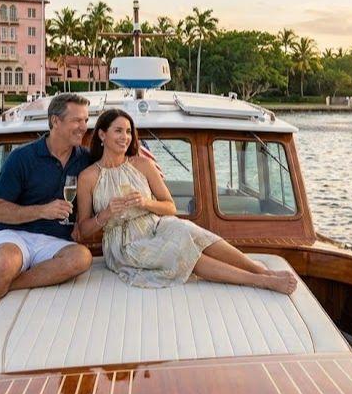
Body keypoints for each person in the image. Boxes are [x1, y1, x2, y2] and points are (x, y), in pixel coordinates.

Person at [76, 108, 297, 294]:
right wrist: (105, 214)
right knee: (180, 249)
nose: (125, 137)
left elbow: (169, 207)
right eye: (118, 131)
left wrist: (145, 202)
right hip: (124, 243)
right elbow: (82, 231)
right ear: (102, 135)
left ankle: (260, 270)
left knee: (188, 229)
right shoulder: (88, 177)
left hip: (156, 224)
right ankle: (260, 281)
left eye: (128, 132)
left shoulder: (142, 165)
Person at [0, 93, 94, 338]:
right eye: (77, 121)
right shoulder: (22, 157)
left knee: (81, 258)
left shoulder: (84, 159)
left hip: (56, 241)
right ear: (55, 121)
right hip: (15, 234)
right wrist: (43, 210)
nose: (84, 126)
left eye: (85, 120)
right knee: (6, 264)